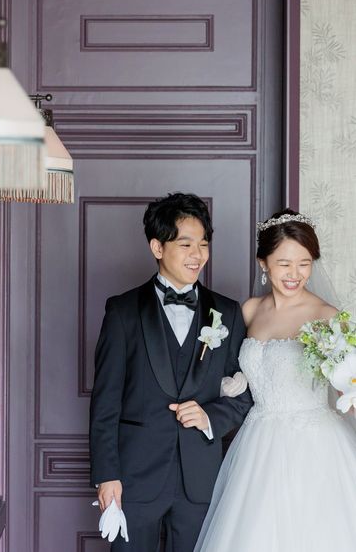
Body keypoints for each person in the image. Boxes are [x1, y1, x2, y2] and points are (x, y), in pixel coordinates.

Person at [89, 193, 253, 552]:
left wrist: (210, 417)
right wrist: (106, 475)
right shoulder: (122, 311)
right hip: (134, 477)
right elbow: (105, 402)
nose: (198, 255)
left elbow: (244, 395)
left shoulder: (226, 311)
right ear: (157, 247)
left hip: (201, 479)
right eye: (186, 244)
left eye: (204, 244)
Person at [194, 209, 356, 551]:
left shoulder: (328, 318)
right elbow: (225, 369)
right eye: (284, 263)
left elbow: (349, 387)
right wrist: (231, 382)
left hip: (315, 447)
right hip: (257, 445)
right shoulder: (250, 310)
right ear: (263, 263)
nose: (295, 274)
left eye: (304, 263)